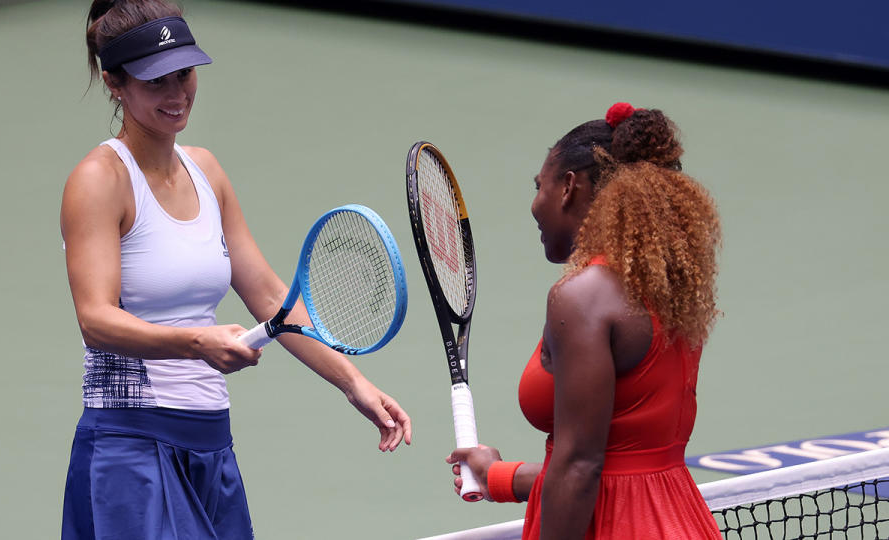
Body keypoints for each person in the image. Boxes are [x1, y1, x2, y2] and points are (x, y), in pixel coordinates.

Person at [60, 1, 411, 538]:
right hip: (130, 448)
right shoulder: (98, 180)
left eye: (184, 74)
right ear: (115, 83)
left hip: (210, 443)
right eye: (156, 81)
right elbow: (96, 319)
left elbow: (272, 297)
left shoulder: (206, 170)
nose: (176, 94)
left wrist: (353, 382)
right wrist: (198, 343)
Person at [447, 103, 722, 539]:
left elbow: (581, 467)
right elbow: (619, 468)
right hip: (680, 521)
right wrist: (500, 475)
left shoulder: (582, 297)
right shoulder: (669, 287)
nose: (535, 203)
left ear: (568, 187)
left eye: (540, 185)